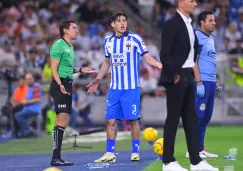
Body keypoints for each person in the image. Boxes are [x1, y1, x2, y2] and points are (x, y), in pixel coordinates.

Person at [87, 12, 162, 163]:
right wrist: (97, 80)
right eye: (119, 21)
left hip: (131, 88)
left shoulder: (135, 39)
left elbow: (146, 57)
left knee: (133, 120)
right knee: (110, 120)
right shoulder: (108, 41)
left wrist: (158, 64)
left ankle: (135, 152)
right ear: (113, 24)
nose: (122, 23)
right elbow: (106, 63)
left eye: (124, 21)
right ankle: (110, 153)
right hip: (115, 88)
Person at [159, 1, 218, 171]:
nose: (195, 3)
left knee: (191, 120)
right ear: (180, 2)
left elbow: (191, 53)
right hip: (177, 76)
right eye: (191, 0)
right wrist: (175, 74)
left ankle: (196, 162)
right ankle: (168, 162)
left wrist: (190, 77)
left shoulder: (189, 24)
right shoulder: (171, 24)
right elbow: (165, 54)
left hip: (188, 76)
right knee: (173, 119)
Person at [49, 20, 94, 166]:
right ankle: (56, 157)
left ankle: (57, 156)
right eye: (74, 28)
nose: (77, 30)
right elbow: (54, 69)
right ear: (65, 30)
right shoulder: (58, 45)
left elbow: (68, 68)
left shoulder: (70, 46)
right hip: (60, 84)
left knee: (63, 121)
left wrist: (80, 69)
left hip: (67, 84)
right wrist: (60, 84)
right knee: (61, 120)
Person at [190, 11, 221, 158]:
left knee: (206, 117)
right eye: (211, 20)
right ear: (202, 22)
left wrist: (215, 80)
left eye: (214, 20)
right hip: (201, 82)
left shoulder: (211, 39)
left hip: (210, 82)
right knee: (198, 117)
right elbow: (193, 61)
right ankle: (192, 149)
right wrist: (199, 82)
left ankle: (200, 149)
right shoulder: (196, 37)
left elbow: (210, 61)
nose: (214, 23)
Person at [14, 72, 41, 138]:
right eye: (27, 79)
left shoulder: (36, 86)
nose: (29, 80)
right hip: (26, 108)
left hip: (34, 109)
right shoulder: (27, 87)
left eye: (30, 78)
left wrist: (26, 102)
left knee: (17, 115)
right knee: (14, 112)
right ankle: (17, 133)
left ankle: (28, 132)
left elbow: (37, 99)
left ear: (33, 79)